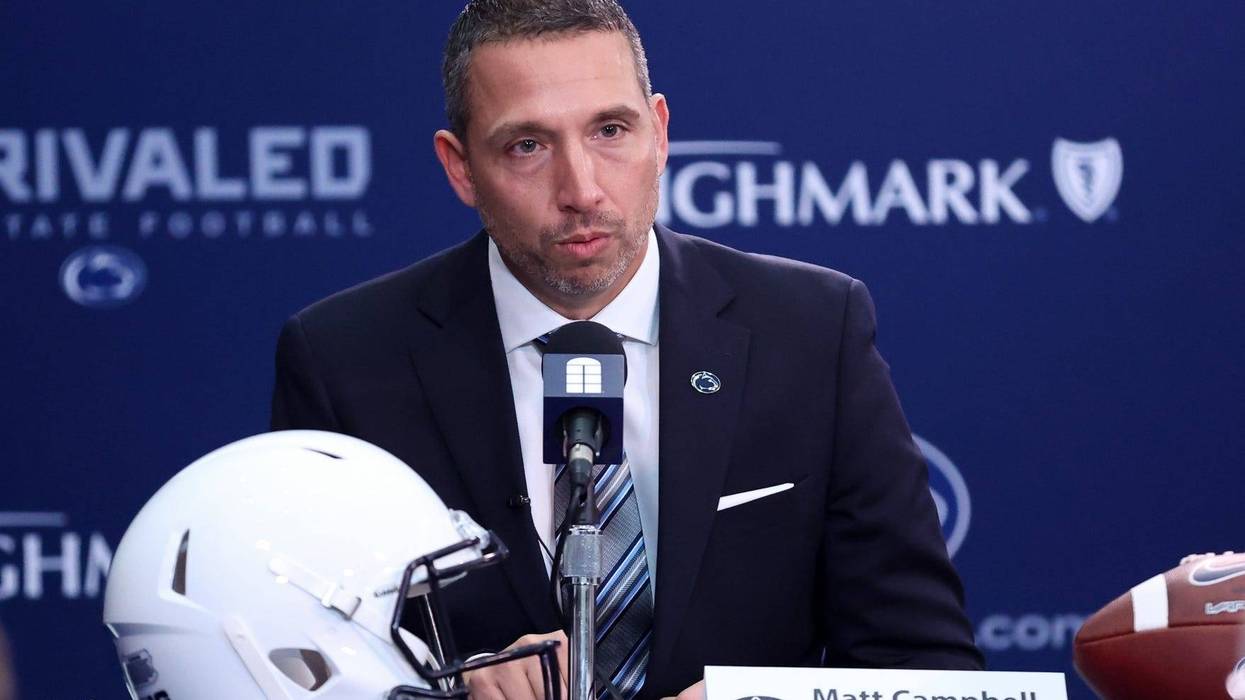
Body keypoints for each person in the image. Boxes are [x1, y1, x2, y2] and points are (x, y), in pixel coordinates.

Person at [271, 1, 983, 698]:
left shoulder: (811, 332)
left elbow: (926, 665)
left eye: (610, 130)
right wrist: (452, 694)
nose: (580, 189)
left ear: (661, 132)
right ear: (460, 168)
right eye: (527, 146)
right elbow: (288, 671)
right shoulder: (344, 361)